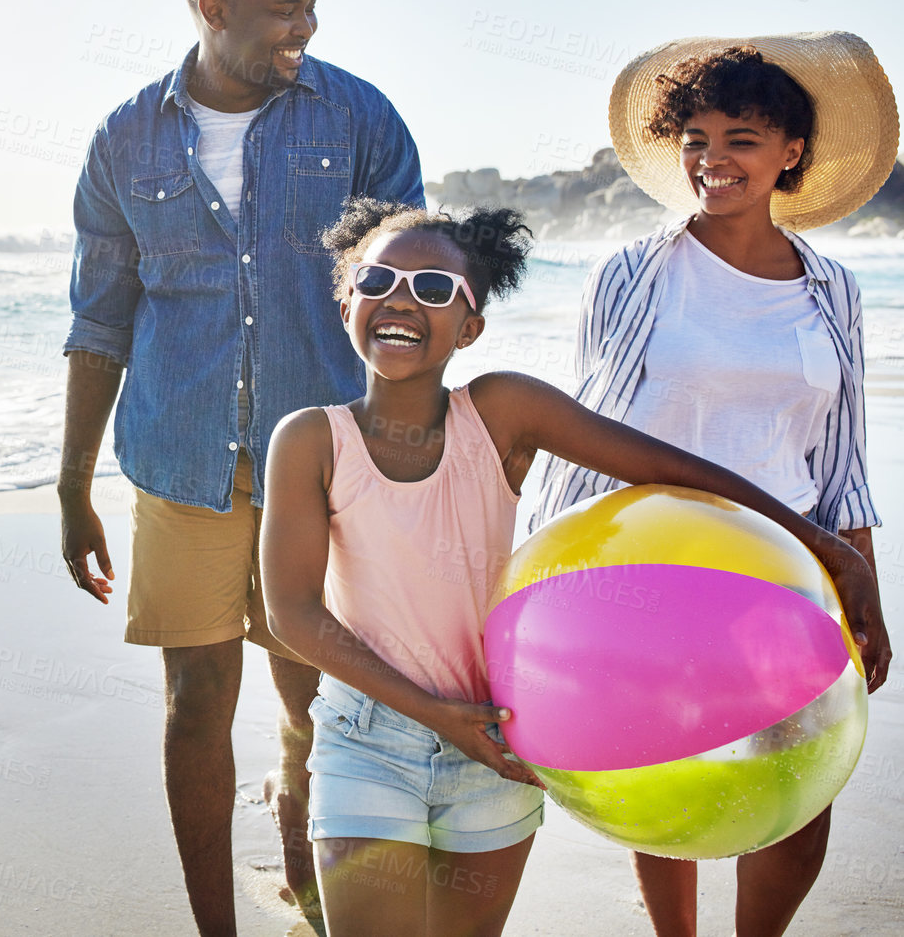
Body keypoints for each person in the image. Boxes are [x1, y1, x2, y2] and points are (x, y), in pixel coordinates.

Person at [258, 198, 890, 937]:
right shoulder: (310, 440)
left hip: (496, 749)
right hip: (367, 739)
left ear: (471, 328)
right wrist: (437, 719)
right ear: (345, 304)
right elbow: (291, 613)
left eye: (433, 289)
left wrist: (831, 550)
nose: (400, 300)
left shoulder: (502, 411)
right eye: (376, 281)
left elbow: (665, 467)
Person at [59, 0, 424, 933]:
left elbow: (408, 301)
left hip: (321, 468)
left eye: (309, 4)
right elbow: (99, 317)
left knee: (316, 703)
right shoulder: (124, 138)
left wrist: (411, 454)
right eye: (281, 8)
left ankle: (309, 879)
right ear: (211, 9)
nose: (302, 26)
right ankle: (213, 922)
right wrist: (69, 482)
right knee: (191, 703)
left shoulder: (357, 118)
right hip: (179, 461)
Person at [530, 33, 899, 937]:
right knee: (672, 779)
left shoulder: (834, 290)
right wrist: (543, 590)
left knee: (796, 792)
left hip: (792, 568)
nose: (713, 160)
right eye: (696, 138)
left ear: (791, 153)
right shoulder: (631, 275)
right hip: (653, 569)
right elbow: (591, 431)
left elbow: (842, 458)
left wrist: (867, 587)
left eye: (741, 138)